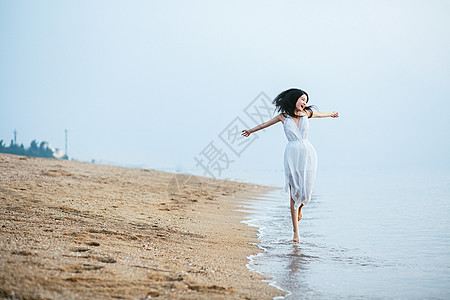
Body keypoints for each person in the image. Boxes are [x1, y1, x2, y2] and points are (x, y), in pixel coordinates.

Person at [241, 88, 339, 243]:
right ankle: (296, 232)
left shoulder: (306, 113)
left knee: (306, 190)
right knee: (293, 190)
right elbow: (265, 124)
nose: (304, 103)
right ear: (294, 99)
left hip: (308, 153)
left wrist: (331, 114)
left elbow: (320, 114)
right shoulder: (283, 116)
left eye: (306, 101)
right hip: (292, 153)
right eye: (302, 99)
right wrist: (250, 131)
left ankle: (300, 207)